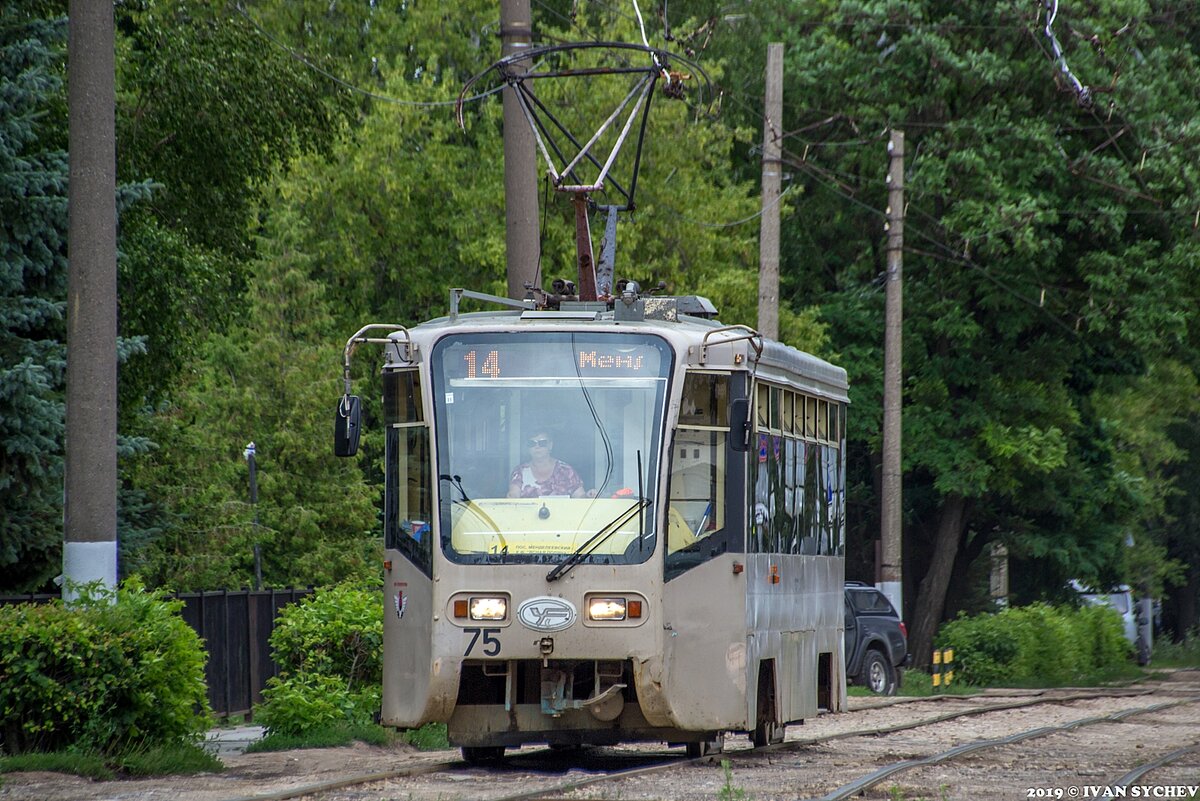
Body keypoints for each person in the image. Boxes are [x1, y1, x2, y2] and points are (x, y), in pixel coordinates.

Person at [508, 431, 587, 498]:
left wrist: (589, 496)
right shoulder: (520, 471)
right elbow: (513, 497)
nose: (537, 447)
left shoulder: (566, 470)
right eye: (532, 443)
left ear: (550, 445)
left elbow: (580, 497)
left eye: (542, 443)